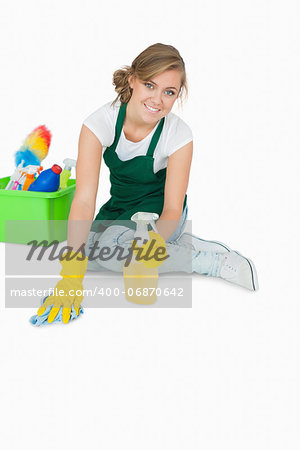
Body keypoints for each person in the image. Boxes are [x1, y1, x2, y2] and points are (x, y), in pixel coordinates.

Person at [36, 43, 258, 325]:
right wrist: (70, 278)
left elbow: (173, 208)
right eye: (150, 85)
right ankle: (181, 245)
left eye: (169, 92)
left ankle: (211, 261)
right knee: (87, 254)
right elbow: (83, 200)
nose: (157, 100)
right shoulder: (99, 123)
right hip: (119, 208)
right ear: (132, 80)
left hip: (159, 213)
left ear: (178, 95)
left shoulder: (178, 135)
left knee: (117, 254)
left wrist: (152, 245)